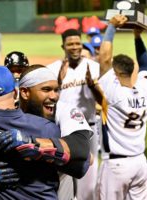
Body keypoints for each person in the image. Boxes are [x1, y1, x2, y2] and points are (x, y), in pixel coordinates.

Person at [0, 65, 92, 199]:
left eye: (55, 90)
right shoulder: (47, 127)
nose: (53, 96)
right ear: (18, 92)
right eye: (47, 89)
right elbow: (83, 164)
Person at [96, 15, 147, 199]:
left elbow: (104, 59)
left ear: (116, 72)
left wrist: (112, 27)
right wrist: (137, 36)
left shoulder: (115, 94)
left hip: (117, 167)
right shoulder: (146, 89)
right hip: (140, 163)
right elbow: (146, 65)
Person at [47, 28, 100, 200]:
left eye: (78, 43)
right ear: (63, 46)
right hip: (62, 130)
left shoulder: (93, 66)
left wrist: (93, 86)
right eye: (70, 44)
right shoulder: (53, 69)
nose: (75, 47)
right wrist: (59, 83)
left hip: (89, 127)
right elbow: (47, 100)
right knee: (64, 176)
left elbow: (103, 100)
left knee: (90, 176)